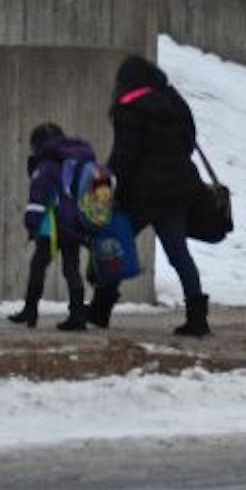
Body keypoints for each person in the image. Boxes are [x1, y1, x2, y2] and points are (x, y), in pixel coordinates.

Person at [101, 55, 210, 337]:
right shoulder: (174, 103)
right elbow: (189, 142)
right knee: (179, 254)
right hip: (175, 191)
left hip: (141, 194)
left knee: (115, 244)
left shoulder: (129, 108)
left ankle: (100, 309)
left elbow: (126, 155)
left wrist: (111, 180)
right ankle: (197, 319)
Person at [9, 123, 99, 332]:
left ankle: (30, 310)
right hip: (77, 222)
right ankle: (77, 314)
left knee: (38, 264)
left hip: (54, 224)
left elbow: (37, 198)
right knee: (71, 268)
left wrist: (32, 224)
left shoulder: (47, 164)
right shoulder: (77, 159)